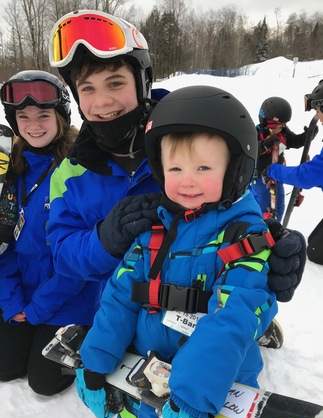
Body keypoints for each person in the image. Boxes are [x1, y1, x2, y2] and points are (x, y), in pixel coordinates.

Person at [47, 9, 305, 327]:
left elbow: (235, 200)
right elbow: (61, 253)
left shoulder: (194, 138)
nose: (101, 102)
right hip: (111, 315)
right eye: (88, 89)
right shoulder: (70, 173)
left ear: (142, 81)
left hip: (195, 310)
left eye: (115, 83)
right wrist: (103, 241)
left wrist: (267, 240)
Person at [74, 85, 279, 418]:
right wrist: (95, 360)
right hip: (142, 380)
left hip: (210, 391)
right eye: (175, 169)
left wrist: (195, 397)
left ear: (235, 170)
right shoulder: (153, 229)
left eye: (203, 168)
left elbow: (234, 316)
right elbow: (120, 298)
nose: (187, 182)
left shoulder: (245, 238)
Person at [0, 70, 100, 397]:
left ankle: (86, 333)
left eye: (43, 115)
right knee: (5, 367)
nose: (34, 125)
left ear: (60, 116)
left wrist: (37, 310)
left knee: (44, 381)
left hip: (70, 295)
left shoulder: (80, 169)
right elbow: (5, 245)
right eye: (23, 117)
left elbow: (81, 261)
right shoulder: (11, 171)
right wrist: (14, 301)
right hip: (24, 291)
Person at [263, 80, 323, 265]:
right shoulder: (261, 134)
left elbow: (304, 176)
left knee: (314, 251)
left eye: (318, 111)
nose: (319, 118)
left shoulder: (281, 134)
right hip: (264, 183)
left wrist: (273, 170)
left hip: (274, 174)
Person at [252, 96, 310, 221]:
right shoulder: (255, 132)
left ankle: (276, 228)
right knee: (263, 207)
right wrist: (265, 144)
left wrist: (306, 136)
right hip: (261, 179)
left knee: (278, 208)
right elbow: (251, 150)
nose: (281, 129)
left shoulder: (282, 132)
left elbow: (293, 141)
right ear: (266, 123)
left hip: (277, 176)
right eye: (278, 126)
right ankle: (261, 232)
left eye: (283, 125)